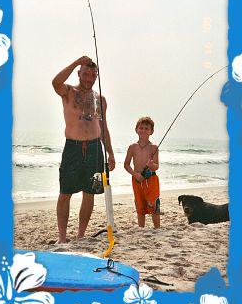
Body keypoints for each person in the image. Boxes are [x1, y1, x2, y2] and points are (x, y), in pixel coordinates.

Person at [52, 56, 115, 242]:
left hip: (95, 147)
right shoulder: (68, 92)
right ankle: (62, 237)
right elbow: (55, 82)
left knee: (90, 193)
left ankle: (80, 235)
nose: (89, 78)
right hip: (73, 147)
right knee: (65, 193)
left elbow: (103, 128)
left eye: (93, 75)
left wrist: (110, 152)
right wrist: (75, 62)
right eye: (86, 73)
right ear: (79, 73)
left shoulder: (100, 99)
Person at [124, 117, 161, 228]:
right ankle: (141, 228)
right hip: (137, 179)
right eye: (141, 128)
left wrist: (151, 165)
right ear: (136, 129)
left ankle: (157, 228)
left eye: (146, 128)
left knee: (154, 204)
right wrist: (135, 174)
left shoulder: (153, 147)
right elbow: (126, 165)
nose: (143, 130)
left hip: (151, 179)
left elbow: (156, 166)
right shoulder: (132, 147)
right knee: (139, 205)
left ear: (151, 132)